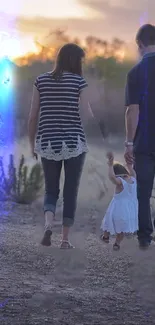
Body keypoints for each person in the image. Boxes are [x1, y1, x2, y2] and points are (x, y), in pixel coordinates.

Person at [28, 43, 89, 249]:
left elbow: (32, 116)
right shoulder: (79, 82)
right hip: (74, 143)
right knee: (70, 189)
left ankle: (47, 225)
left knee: (51, 189)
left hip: (47, 141)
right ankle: (64, 239)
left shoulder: (41, 80)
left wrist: (31, 144)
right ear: (75, 60)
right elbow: (88, 113)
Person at [124, 24, 155, 249]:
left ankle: (144, 238)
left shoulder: (135, 73)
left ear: (140, 45)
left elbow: (132, 110)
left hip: (144, 142)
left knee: (143, 193)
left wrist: (128, 143)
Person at [100, 152, 138, 251]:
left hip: (117, 208)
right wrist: (129, 164)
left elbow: (112, 177)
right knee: (122, 228)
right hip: (129, 210)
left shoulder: (120, 183)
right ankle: (117, 243)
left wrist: (110, 165)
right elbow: (132, 170)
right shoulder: (133, 179)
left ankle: (106, 237)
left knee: (108, 222)